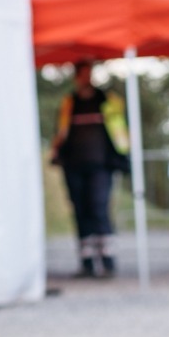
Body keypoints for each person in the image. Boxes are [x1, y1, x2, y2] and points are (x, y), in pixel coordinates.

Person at [51, 60, 130, 277]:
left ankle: (107, 260)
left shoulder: (107, 101)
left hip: (101, 166)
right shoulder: (70, 102)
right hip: (74, 165)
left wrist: (121, 157)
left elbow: (120, 130)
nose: (86, 78)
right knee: (80, 211)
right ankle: (86, 262)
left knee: (98, 208)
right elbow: (61, 131)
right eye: (82, 74)